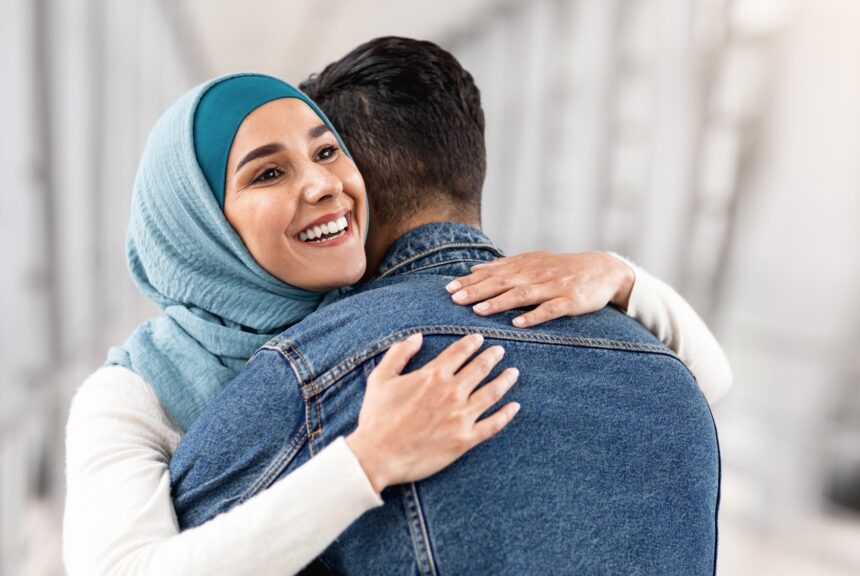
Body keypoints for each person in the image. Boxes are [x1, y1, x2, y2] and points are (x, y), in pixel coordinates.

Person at [61, 68, 727, 576]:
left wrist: (622, 277)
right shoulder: (131, 394)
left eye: (326, 152)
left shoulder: (414, 315)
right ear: (198, 225)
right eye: (268, 173)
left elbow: (704, 382)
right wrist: (367, 460)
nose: (323, 184)